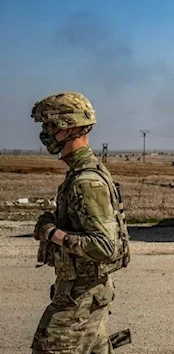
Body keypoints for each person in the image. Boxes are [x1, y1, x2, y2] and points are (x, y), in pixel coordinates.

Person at [30, 91, 131, 353]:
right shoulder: (83, 173)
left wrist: (51, 232)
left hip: (80, 298)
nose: (46, 133)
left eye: (50, 125)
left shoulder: (86, 181)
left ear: (69, 128)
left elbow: (105, 246)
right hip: (85, 292)